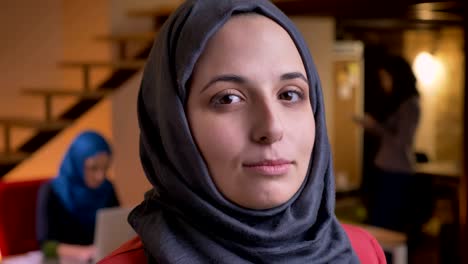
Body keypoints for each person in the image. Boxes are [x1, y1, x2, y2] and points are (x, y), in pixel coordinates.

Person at [99, 0, 385, 263]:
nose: (271, 128)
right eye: (228, 98)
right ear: (172, 126)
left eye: (289, 94)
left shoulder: (363, 252)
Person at [354, 55, 421, 233]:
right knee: (379, 221)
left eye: (386, 78)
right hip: (386, 168)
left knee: (387, 224)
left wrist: (375, 126)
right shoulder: (398, 103)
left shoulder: (410, 105)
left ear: (396, 77)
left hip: (396, 172)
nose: (384, 83)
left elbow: (401, 141)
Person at [36, 130, 119, 262]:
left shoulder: (107, 188)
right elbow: (46, 246)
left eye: (105, 168)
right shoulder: (51, 191)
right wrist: (82, 252)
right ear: (76, 162)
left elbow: (115, 228)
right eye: (93, 168)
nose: (100, 176)